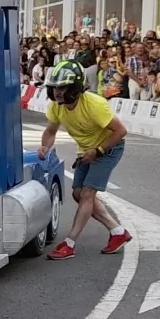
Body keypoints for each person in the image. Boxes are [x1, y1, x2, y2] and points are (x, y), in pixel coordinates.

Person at [38, 60, 131, 260]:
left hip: (109, 147)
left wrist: (98, 150)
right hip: (87, 150)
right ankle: (118, 232)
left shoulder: (94, 104)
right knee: (78, 194)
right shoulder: (57, 106)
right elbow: (50, 131)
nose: (57, 92)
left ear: (75, 86)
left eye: (62, 87)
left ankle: (69, 243)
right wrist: (45, 146)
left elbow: (121, 132)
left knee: (88, 193)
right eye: (54, 88)